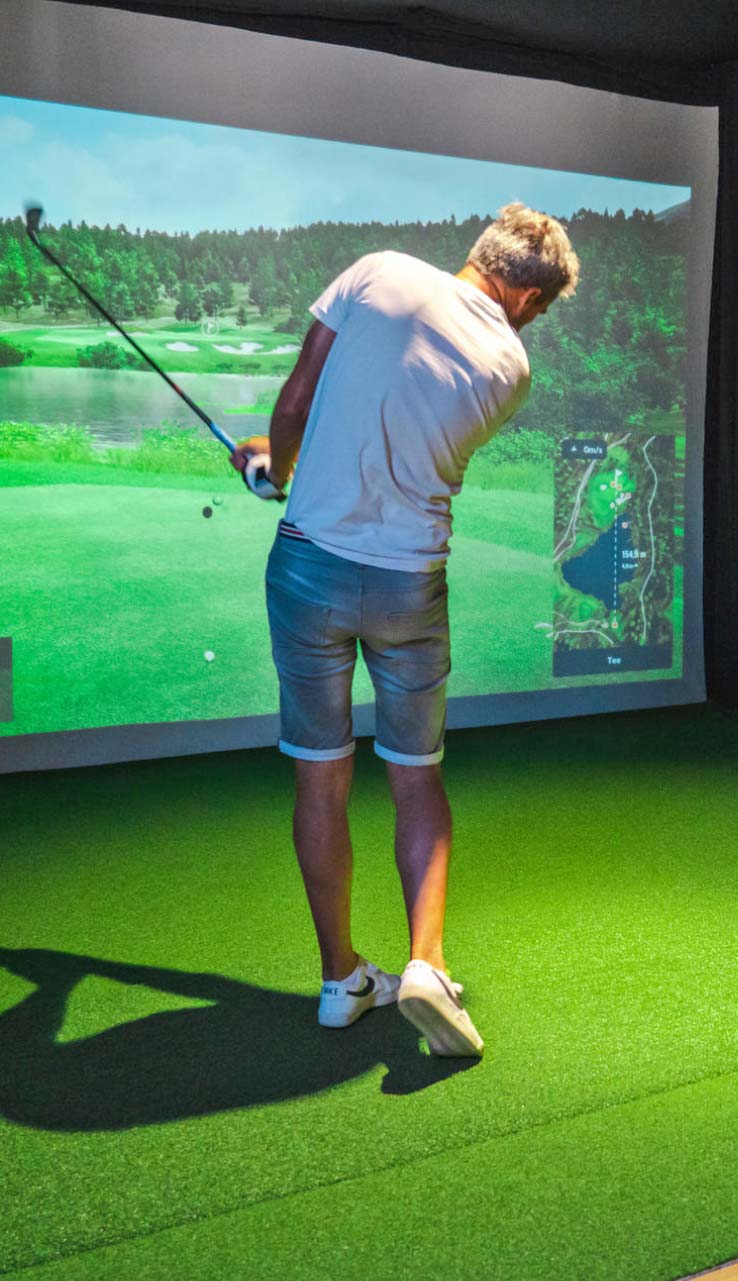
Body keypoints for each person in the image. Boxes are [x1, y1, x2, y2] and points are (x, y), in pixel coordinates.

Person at [229, 203, 578, 1057]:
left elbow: (299, 400)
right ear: (529, 300)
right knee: (416, 775)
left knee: (322, 778)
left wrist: (275, 470)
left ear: (482, 254)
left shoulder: (376, 269)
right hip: (408, 582)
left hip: (309, 564)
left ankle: (341, 979)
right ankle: (425, 962)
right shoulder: (512, 366)